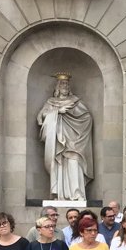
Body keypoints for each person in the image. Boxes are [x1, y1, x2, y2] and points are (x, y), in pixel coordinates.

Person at [37, 72, 93, 201]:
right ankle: (58, 194)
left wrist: (73, 118)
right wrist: (57, 112)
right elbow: (40, 117)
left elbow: (87, 117)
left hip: (73, 141)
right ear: (58, 86)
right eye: (62, 84)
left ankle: (77, 194)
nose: (65, 86)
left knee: (74, 163)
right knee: (58, 166)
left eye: (67, 84)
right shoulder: (51, 102)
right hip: (57, 140)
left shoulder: (75, 101)